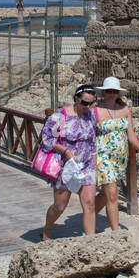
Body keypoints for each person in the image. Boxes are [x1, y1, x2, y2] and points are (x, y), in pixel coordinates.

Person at [38, 84, 99, 240]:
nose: (88, 106)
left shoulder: (91, 116)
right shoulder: (59, 116)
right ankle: (47, 229)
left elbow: (92, 142)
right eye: (84, 102)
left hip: (86, 165)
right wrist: (64, 150)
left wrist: (95, 164)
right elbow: (46, 139)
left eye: (91, 103)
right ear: (76, 99)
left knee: (90, 204)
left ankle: (90, 242)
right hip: (66, 167)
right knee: (59, 206)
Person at [92, 77, 139, 230]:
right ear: (103, 92)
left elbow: (131, 134)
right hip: (102, 157)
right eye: (108, 91)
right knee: (113, 194)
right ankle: (117, 232)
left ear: (118, 94)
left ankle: (90, 217)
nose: (110, 94)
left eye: (114, 91)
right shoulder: (95, 111)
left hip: (119, 158)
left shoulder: (124, 110)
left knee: (106, 193)